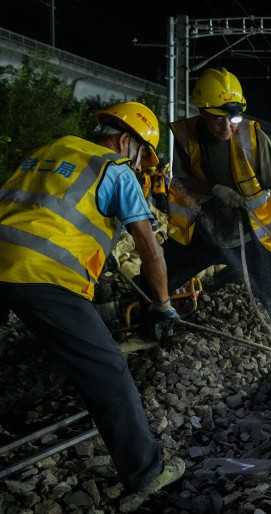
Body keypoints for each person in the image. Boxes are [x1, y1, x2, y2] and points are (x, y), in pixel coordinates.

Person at [0, 101, 185, 494]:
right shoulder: (115, 170)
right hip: (44, 273)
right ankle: (146, 473)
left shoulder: (49, 150)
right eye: (142, 155)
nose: (140, 165)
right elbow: (150, 250)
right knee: (107, 369)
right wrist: (163, 304)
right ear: (125, 141)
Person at [139, 67, 271, 390]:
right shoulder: (186, 136)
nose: (228, 126)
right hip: (203, 232)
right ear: (203, 111)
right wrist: (213, 190)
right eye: (219, 119)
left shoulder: (251, 136)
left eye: (233, 118)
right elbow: (182, 180)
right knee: (156, 273)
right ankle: (146, 328)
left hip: (248, 238)